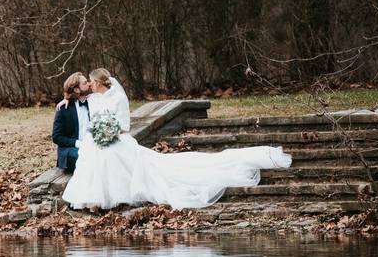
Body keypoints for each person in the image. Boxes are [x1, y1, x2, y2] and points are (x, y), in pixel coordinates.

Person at [58, 68, 292, 210]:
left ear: (97, 83)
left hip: (116, 139)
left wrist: (108, 132)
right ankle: (94, 201)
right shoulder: (91, 100)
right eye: (85, 83)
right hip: (97, 143)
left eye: (90, 81)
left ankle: (115, 198)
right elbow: (76, 102)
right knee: (99, 159)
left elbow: (123, 125)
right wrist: (66, 100)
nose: (88, 85)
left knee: (116, 158)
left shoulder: (116, 98)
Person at [51, 72, 92, 172]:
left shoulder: (93, 102)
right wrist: (79, 144)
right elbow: (56, 137)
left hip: (92, 145)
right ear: (77, 89)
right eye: (85, 83)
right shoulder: (64, 108)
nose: (89, 84)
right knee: (88, 157)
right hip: (71, 150)